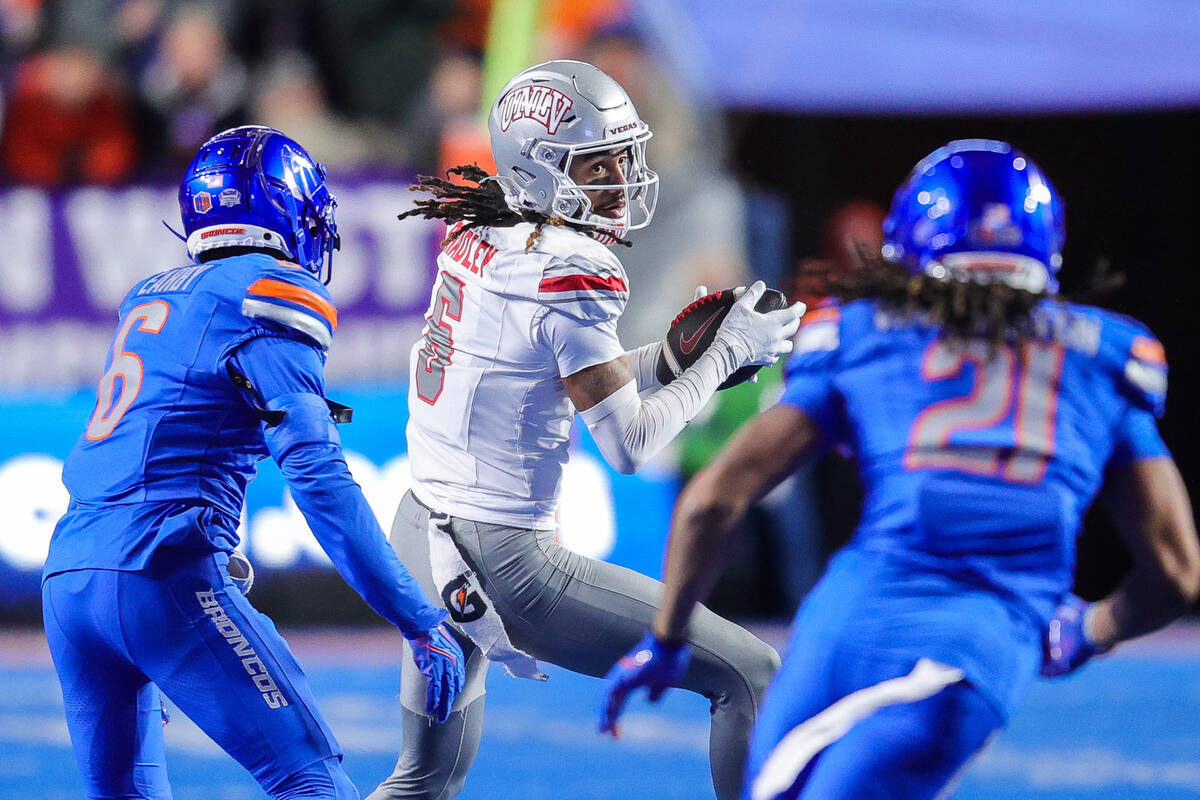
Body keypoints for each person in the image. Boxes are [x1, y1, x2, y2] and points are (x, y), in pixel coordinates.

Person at [599, 139, 1200, 800]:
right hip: (976, 640)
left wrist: (669, 638)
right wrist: (1090, 629)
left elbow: (713, 500)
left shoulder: (859, 335)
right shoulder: (1108, 356)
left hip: (846, 620)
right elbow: (1174, 572)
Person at [369, 60, 804, 800]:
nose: (621, 180)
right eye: (597, 164)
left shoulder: (485, 232)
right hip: (506, 563)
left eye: (621, 158)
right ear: (538, 172)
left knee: (422, 782)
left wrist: (669, 362)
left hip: (422, 527)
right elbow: (630, 447)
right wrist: (723, 357)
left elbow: (555, 372)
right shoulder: (571, 266)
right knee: (750, 674)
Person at [42, 125, 465, 800]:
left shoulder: (152, 292)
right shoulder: (269, 291)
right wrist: (417, 618)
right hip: (159, 570)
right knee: (310, 780)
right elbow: (320, 483)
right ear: (283, 209)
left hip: (68, 578)